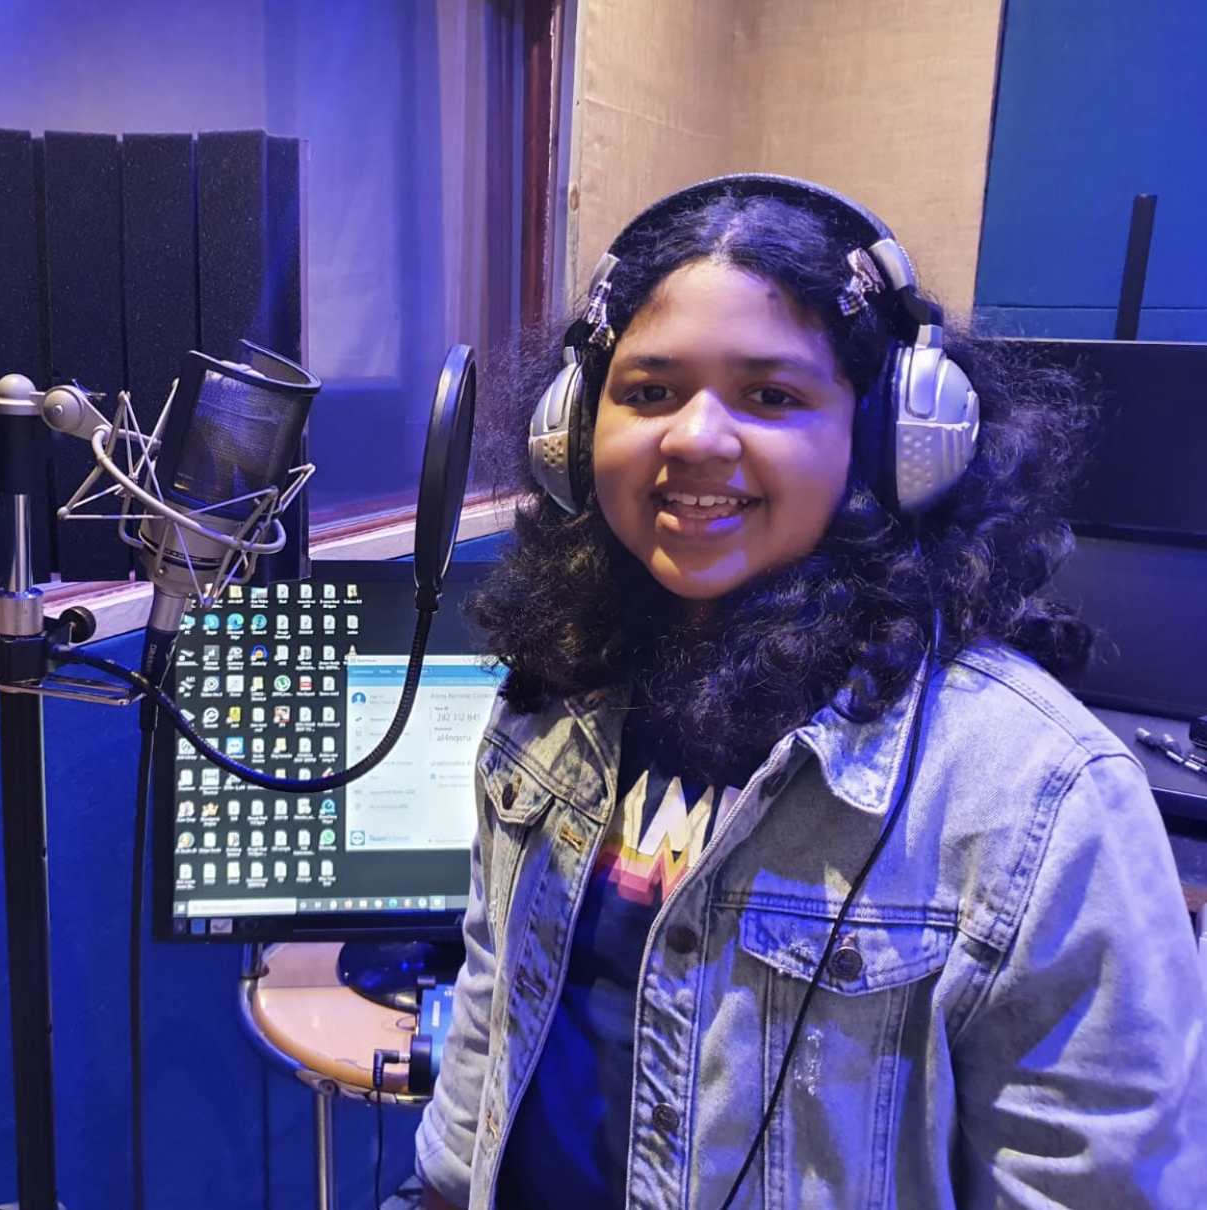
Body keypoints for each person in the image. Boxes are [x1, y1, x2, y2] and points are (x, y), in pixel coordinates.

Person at [413, 175, 1207, 1210]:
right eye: (648, 392)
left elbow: (1099, 1183)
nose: (695, 437)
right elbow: (488, 1016)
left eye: (771, 396)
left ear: (893, 440)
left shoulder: (1039, 797)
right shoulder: (554, 693)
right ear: (572, 431)